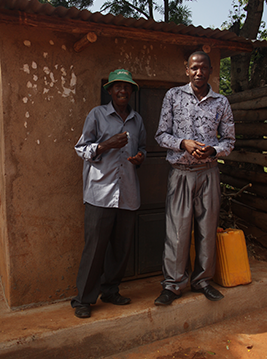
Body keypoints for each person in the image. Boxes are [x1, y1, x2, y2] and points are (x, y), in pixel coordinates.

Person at [154, 51, 235, 305]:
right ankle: (173, 285)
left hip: (209, 173)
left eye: (204, 68)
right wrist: (183, 144)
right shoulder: (173, 96)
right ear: (186, 70)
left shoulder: (221, 102)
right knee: (177, 231)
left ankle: (202, 281)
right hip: (181, 173)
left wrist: (214, 150)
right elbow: (161, 135)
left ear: (210, 70)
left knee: (207, 230)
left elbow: (230, 140)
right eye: (194, 68)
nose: (199, 72)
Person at [71, 69, 146, 318]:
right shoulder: (97, 114)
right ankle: (83, 299)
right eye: (117, 87)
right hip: (100, 193)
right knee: (95, 249)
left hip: (128, 193)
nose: (122, 91)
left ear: (132, 91)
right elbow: (81, 148)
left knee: (121, 248)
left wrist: (140, 157)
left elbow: (143, 147)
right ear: (110, 91)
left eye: (127, 87)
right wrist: (106, 145)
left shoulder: (137, 120)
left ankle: (111, 290)